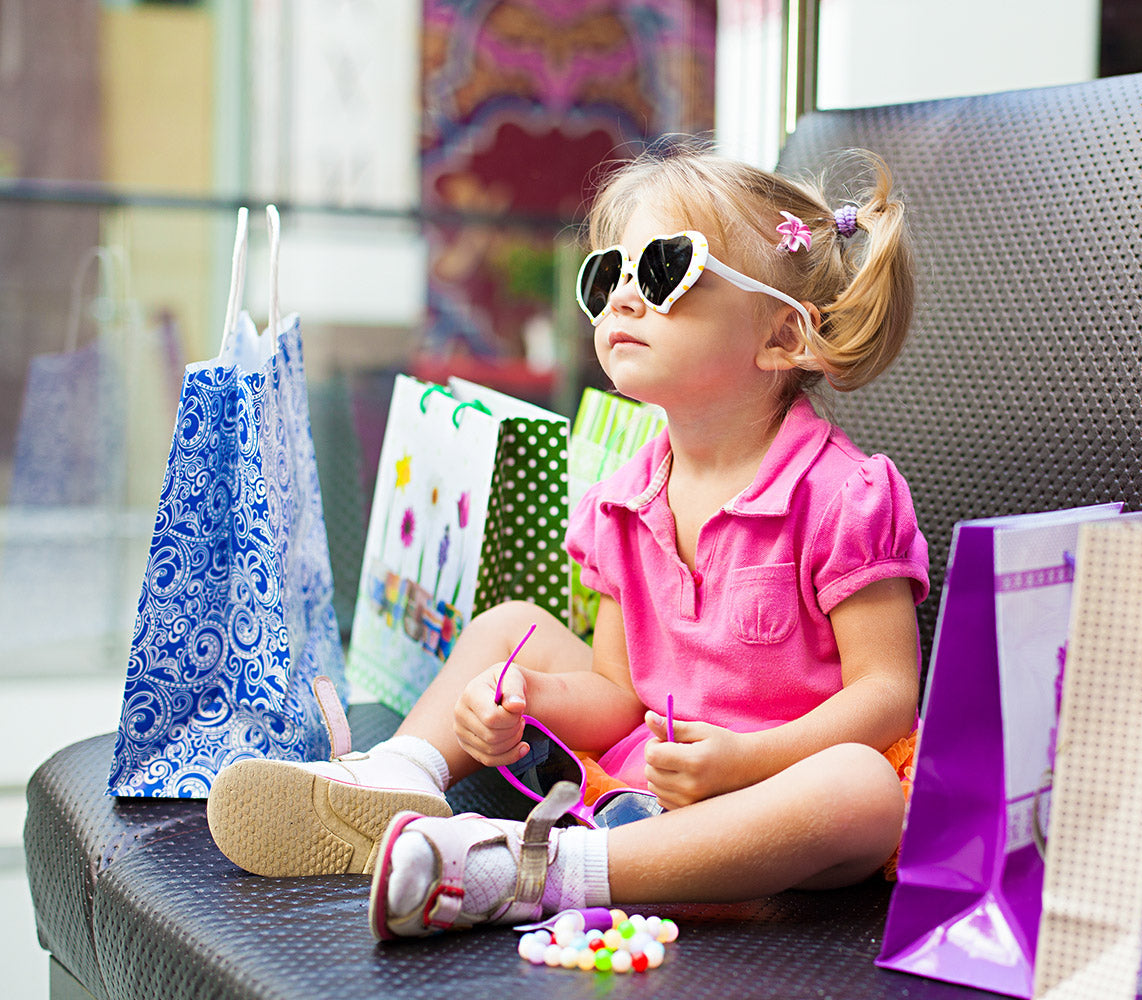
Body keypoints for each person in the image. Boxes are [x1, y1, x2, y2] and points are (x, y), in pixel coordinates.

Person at [207, 145, 929, 941]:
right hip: (643, 778)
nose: (623, 292)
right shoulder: (623, 500)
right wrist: (525, 703)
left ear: (781, 337)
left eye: (664, 271)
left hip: (780, 793)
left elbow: (888, 695)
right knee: (510, 625)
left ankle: (540, 871)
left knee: (863, 789)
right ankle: (398, 776)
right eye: (607, 274)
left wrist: (748, 763)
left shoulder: (844, 496)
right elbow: (619, 693)